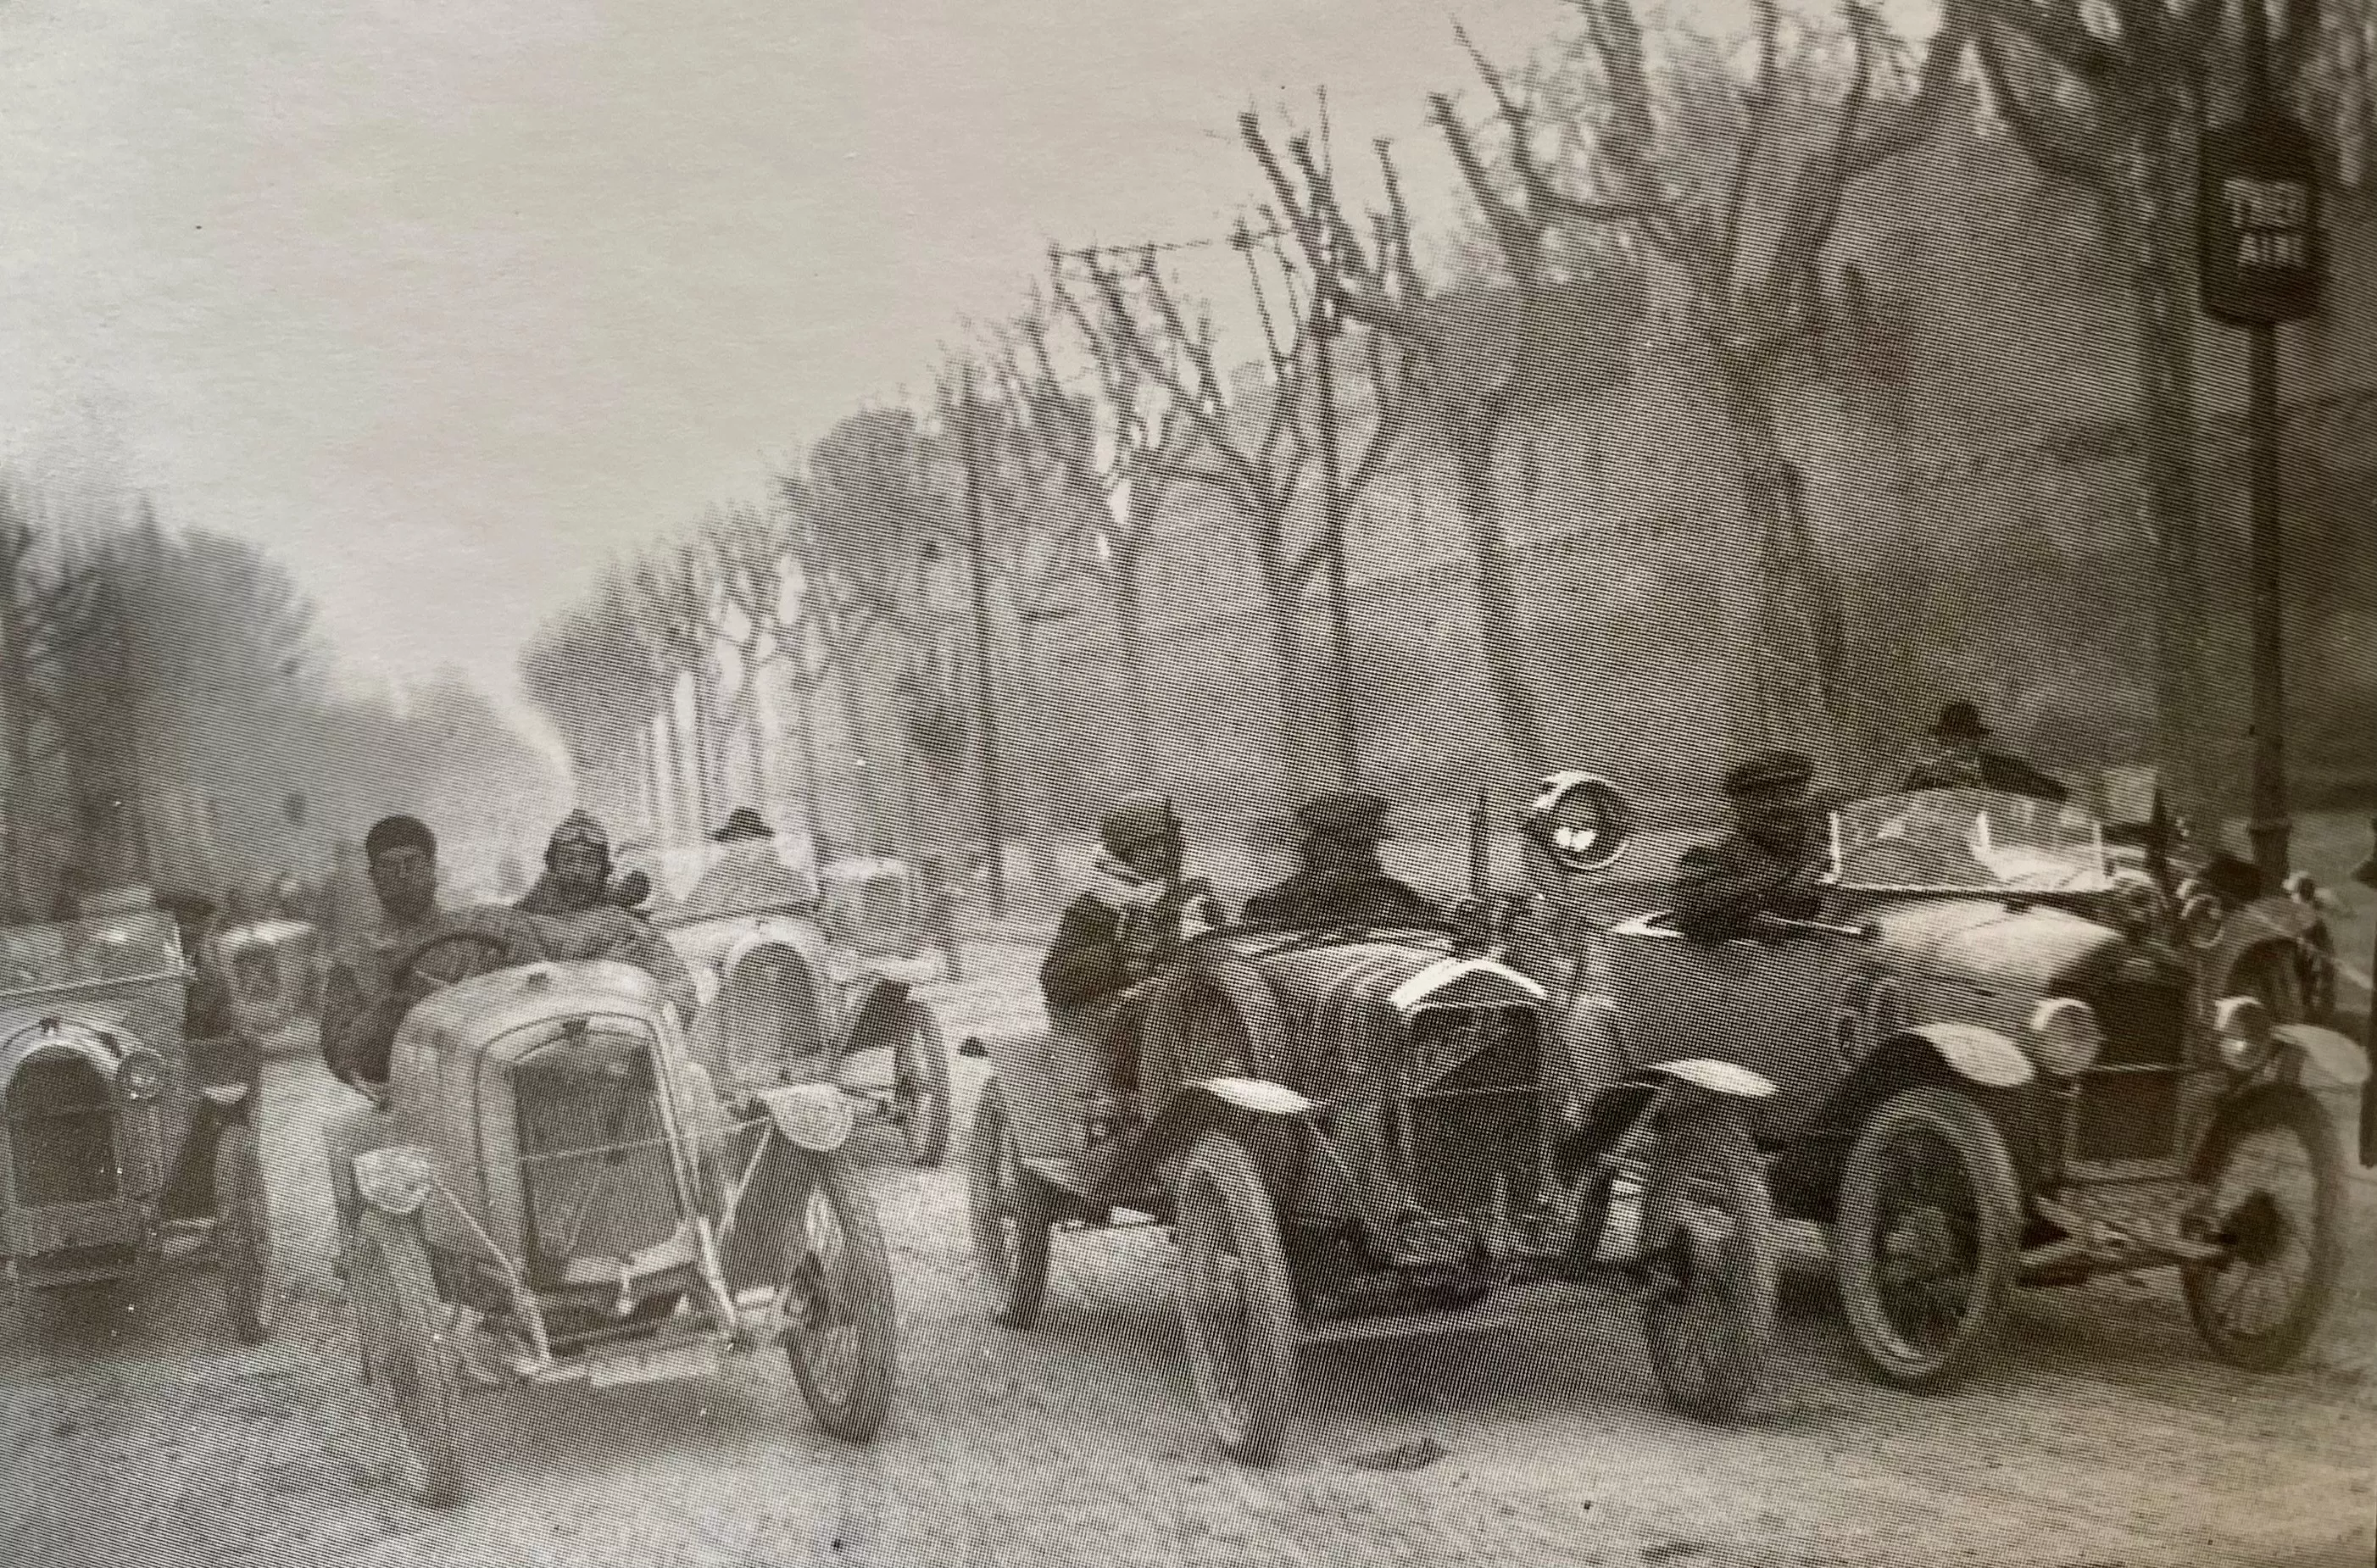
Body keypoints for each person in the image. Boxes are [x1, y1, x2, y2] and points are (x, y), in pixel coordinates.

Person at [1041, 794, 1224, 1104]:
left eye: (1165, 844)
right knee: (1161, 1006)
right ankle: (1149, 1103)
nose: (1160, 855)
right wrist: (1121, 956)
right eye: (1146, 847)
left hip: (1190, 1003)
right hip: (1110, 1024)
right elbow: (1055, 980)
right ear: (1122, 855)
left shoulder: (1193, 897)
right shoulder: (1093, 908)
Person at [515, 810, 698, 1015]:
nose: (577, 870)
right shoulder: (525, 923)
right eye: (568, 860)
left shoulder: (626, 925)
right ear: (553, 867)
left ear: (604, 869)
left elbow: (680, 991)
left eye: (588, 861)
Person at [1671, 751, 1829, 940]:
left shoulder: (1831, 848)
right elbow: (1692, 917)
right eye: (1765, 799)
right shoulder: (1709, 858)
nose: (1782, 806)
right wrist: (1777, 886)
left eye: (1792, 795)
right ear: (1740, 808)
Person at [1241, 792, 1440, 930]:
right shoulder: (1390, 897)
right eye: (1358, 847)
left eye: (1369, 847)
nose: (1370, 858)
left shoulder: (1266, 904)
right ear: (1318, 846)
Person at [1902, 701, 2069, 804]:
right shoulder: (1924, 776)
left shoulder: (2007, 768)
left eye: (1963, 738)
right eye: (1948, 739)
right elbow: (1899, 809)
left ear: (1976, 740)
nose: (1953, 746)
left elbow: (2056, 794)